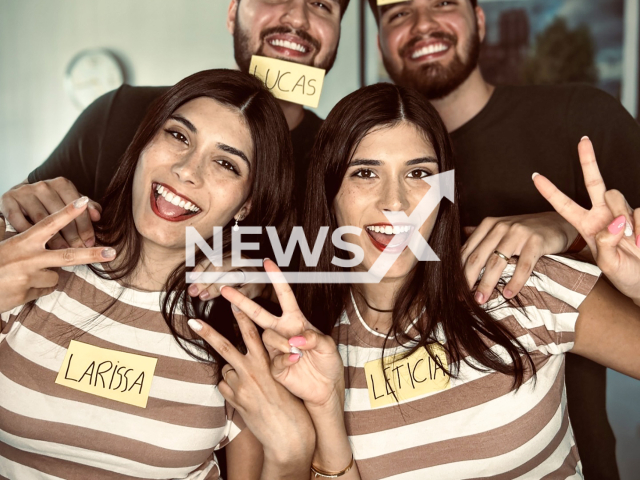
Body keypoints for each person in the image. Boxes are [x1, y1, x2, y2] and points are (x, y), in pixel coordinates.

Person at [196, 83, 640, 479]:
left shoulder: (521, 280)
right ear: (329, 195)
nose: (396, 201)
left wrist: (637, 284)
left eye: (419, 174)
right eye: (365, 173)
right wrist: (327, 412)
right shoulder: (307, 347)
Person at [367, 1, 640, 476]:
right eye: (398, 13)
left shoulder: (580, 116)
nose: (422, 24)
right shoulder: (353, 170)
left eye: (443, 4)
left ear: (479, 19)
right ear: (379, 42)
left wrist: (567, 230)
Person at [0, 69, 315, 479]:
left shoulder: (241, 336)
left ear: (247, 204)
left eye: (225, 163)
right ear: (143, 143)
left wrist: (295, 451)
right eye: (179, 136)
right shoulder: (24, 253)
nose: (187, 169)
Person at [1, 0, 351, 268]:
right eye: (178, 136)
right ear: (233, 12)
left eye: (322, 4)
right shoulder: (119, 112)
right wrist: (18, 211)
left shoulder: (347, 162)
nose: (297, 19)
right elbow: (22, 220)